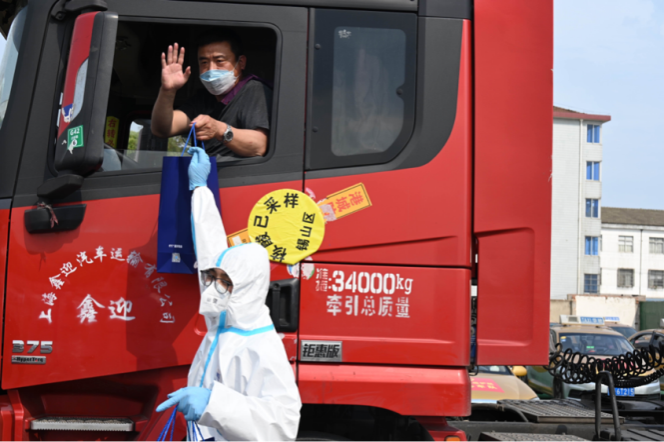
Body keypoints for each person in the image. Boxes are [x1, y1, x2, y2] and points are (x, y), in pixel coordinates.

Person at [156, 146, 301, 441]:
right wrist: (200, 190)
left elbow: (283, 426)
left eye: (224, 283)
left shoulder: (260, 347)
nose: (212, 289)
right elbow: (209, 248)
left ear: (245, 288)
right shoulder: (224, 323)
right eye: (213, 279)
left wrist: (213, 405)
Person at [151, 30, 271, 158]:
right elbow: (162, 129)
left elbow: (259, 146)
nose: (211, 69)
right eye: (204, 62)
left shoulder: (254, 90)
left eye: (219, 60)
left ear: (241, 62)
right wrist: (168, 91)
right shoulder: (203, 98)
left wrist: (219, 129)